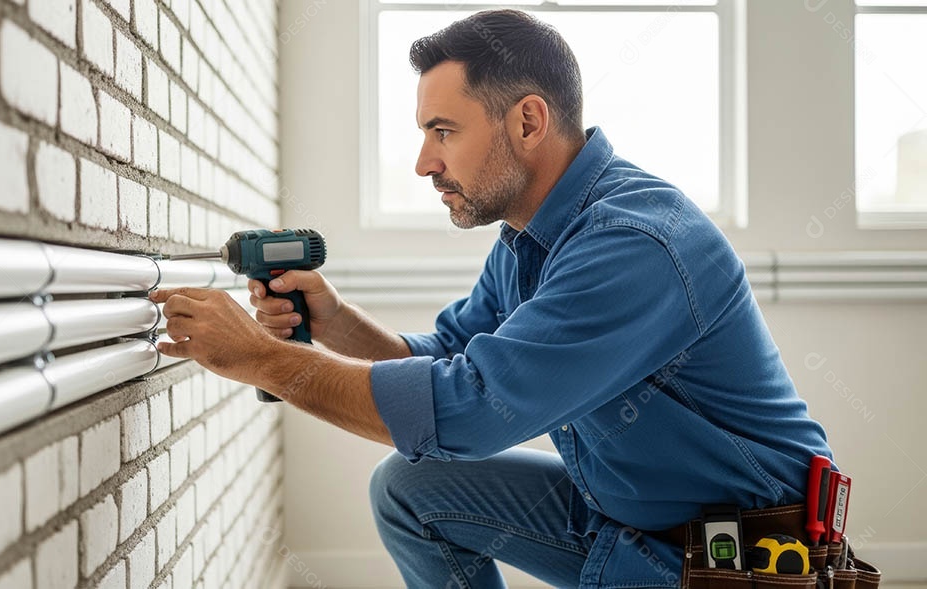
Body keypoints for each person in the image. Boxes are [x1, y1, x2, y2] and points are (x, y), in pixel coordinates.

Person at [149, 9, 833, 588]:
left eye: (442, 131)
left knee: (435, 445)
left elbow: (468, 409)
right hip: (628, 518)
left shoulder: (633, 244)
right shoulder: (528, 237)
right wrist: (331, 321)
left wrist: (262, 359)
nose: (424, 162)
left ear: (528, 122)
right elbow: (446, 359)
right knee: (408, 489)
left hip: (737, 558)